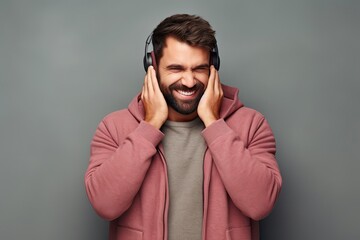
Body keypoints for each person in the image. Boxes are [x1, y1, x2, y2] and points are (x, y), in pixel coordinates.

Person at [85, 14, 282, 240]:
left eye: (199, 68)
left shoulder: (251, 125)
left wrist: (214, 123)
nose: (189, 81)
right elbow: (104, 204)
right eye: (176, 68)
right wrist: (149, 126)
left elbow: (260, 204)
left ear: (213, 66)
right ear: (152, 66)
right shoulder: (114, 128)